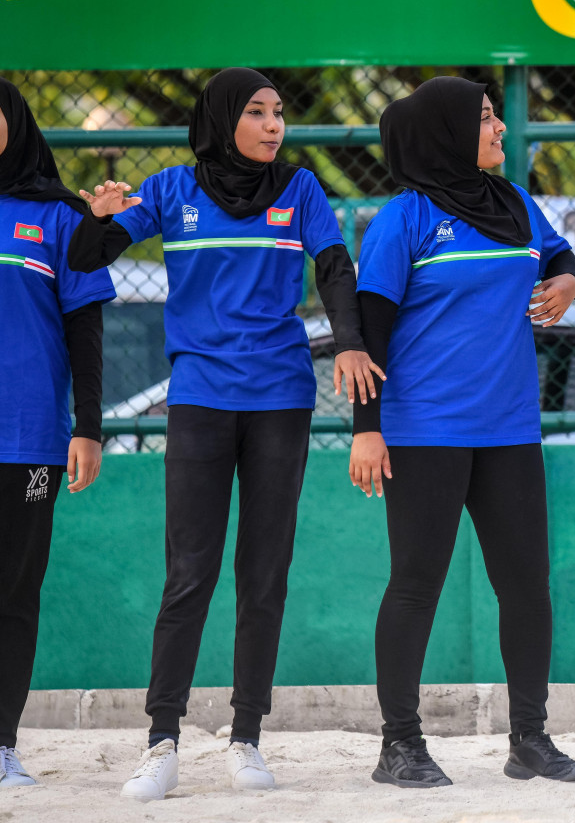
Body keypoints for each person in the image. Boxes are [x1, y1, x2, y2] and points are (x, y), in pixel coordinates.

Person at [67, 68, 380, 800]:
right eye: (258, 113)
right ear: (221, 119)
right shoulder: (174, 189)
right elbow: (88, 257)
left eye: (279, 113)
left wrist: (352, 343)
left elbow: (335, 269)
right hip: (202, 398)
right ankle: (162, 740)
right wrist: (99, 217)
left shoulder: (299, 191)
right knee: (190, 573)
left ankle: (246, 738)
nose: (274, 126)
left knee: (264, 575)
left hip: (280, 400)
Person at [348, 76, 575, 788]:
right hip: (424, 430)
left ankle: (530, 740)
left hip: (510, 427)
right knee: (416, 584)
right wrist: (368, 431)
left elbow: (559, 254)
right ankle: (399, 746)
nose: (500, 130)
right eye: (487, 119)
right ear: (449, 130)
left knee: (527, 587)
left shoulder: (512, 204)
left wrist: (568, 283)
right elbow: (370, 333)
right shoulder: (405, 219)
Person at [0, 78, 116, 788]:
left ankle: (1, 742)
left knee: (13, 594)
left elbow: (87, 330)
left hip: (28, 443)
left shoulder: (60, 217)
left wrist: (89, 428)